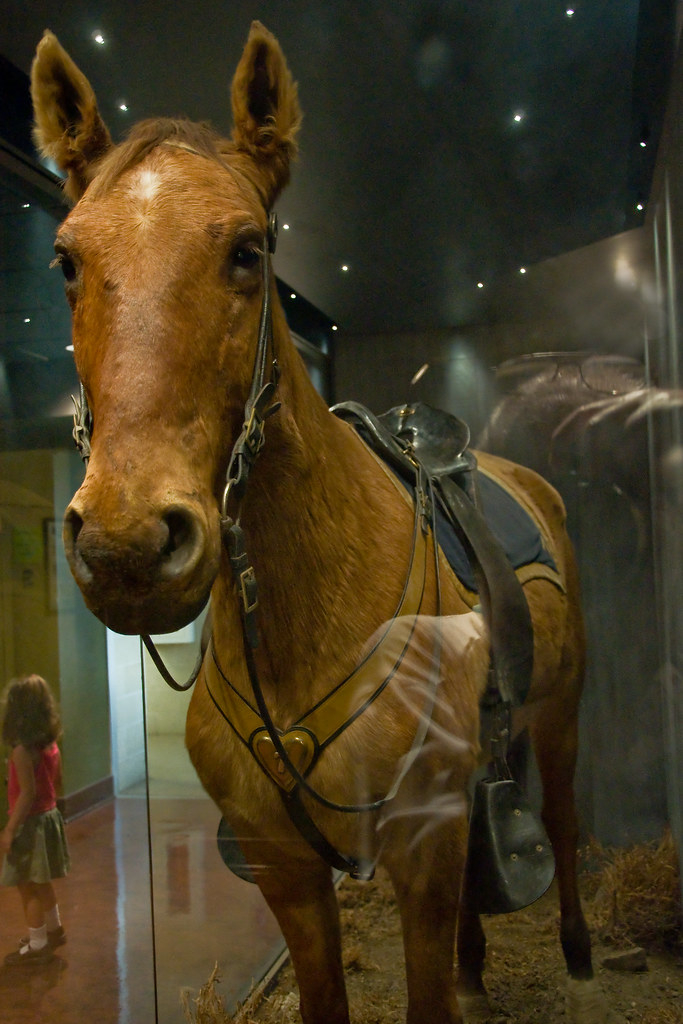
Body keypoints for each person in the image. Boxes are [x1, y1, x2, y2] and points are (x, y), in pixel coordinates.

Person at [1, 674, 70, 966]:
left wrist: (10, 830)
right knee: (43, 882)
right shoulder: (51, 744)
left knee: (26, 884)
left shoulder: (20, 751)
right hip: (49, 816)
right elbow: (57, 780)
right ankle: (54, 930)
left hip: (29, 824)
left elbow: (26, 795)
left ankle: (38, 943)